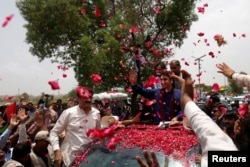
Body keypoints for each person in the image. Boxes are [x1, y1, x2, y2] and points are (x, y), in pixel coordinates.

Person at [49, 86, 101, 167]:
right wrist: (56, 151)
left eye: (90, 97)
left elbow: (98, 134)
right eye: (85, 97)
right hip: (69, 160)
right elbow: (54, 133)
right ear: (78, 98)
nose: (88, 100)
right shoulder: (68, 113)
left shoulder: (96, 114)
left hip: (88, 160)